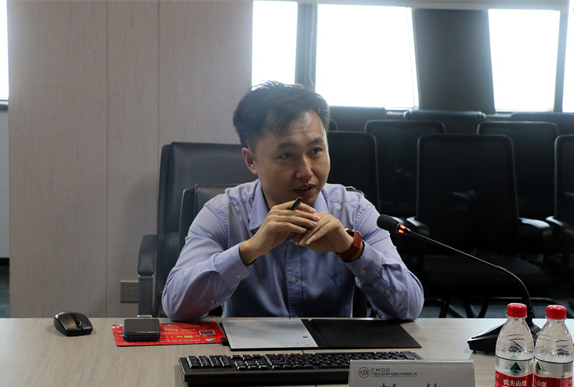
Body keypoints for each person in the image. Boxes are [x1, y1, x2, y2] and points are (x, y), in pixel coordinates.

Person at [162, 82, 424, 321]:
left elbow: (409, 308)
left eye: (316, 151)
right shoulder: (223, 214)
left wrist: (351, 249)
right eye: (287, 155)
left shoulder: (354, 211)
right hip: (250, 353)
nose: (306, 172)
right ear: (251, 161)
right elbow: (176, 305)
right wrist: (248, 250)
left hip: (334, 354)